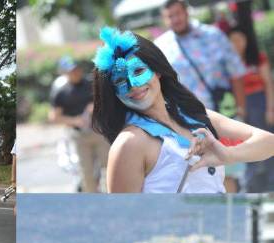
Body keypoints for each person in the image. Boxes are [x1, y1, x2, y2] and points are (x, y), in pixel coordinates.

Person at [92, 27, 274, 193]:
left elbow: (268, 142)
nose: (133, 85)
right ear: (113, 92)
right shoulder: (129, 143)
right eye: (120, 81)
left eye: (138, 71)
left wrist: (226, 155)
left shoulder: (191, 114)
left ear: (157, 71)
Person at [155, 0, 246, 114]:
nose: (175, 19)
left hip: (226, 110)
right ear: (164, 20)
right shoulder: (161, 46)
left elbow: (236, 73)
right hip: (190, 119)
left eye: (178, 13)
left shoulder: (213, 35)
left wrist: (241, 110)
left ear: (186, 12)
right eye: (170, 16)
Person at [50, 57, 110, 192]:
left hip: (98, 131)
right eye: (71, 71)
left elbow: (107, 101)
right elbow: (54, 117)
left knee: (108, 166)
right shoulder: (61, 92)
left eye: (77, 69)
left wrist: (95, 106)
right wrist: (74, 120)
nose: (75, 73)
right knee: (86, 171)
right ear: (65, 73)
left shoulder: (91, 84)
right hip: (79, 136)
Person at [227, 26, 274, 192]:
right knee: (245, 143)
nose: (237, 44)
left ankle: (271, 180)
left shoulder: (257, 58)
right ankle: (250, 183)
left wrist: (270, 109)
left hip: (259, 102)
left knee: (266, 140)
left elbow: (268, 83)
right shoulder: (229, 62)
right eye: (232, 40)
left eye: (240, 39)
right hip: (241, 105)